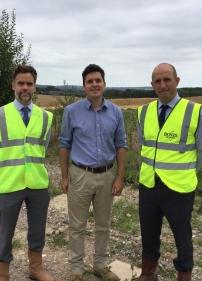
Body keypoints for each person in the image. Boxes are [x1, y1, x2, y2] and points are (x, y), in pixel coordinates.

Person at [134, 63, 202, 281]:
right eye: (158, 81)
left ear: (177, 81)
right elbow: (143, 145)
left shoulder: (195, 112)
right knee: (149, 234)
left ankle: (183, 275)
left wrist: (188, 169)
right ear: (152, 85)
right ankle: (148, 274)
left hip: (178, 189)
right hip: (149, 185)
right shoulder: (143, 112)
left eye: (167, 80)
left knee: (182, 238)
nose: (163, 85)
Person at [0, 65, 54, 281]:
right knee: (5, 233)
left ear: (34, 88)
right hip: (9, 183)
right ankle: (3, 273)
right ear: (13, 85)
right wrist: (6, 162)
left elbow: (43, 146)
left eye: (29, 84)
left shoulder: (46, 117)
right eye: (21, 83)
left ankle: (35, 268)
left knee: (38, 229)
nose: (25, 88)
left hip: (38, 184)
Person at [59, 64, 128, 281]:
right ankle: (77, 270)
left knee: (103, 225)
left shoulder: (116, 112)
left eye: (98, 80)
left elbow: (121, 145)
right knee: (77, 226)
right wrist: (64, 176)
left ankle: (100, 265)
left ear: (104, 84)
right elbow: (64, 144)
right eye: (90, 81)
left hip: (107, 175)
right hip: (80, 174)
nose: (94, 84)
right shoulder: (71, 111)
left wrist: (119, 177)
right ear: (84, 86)